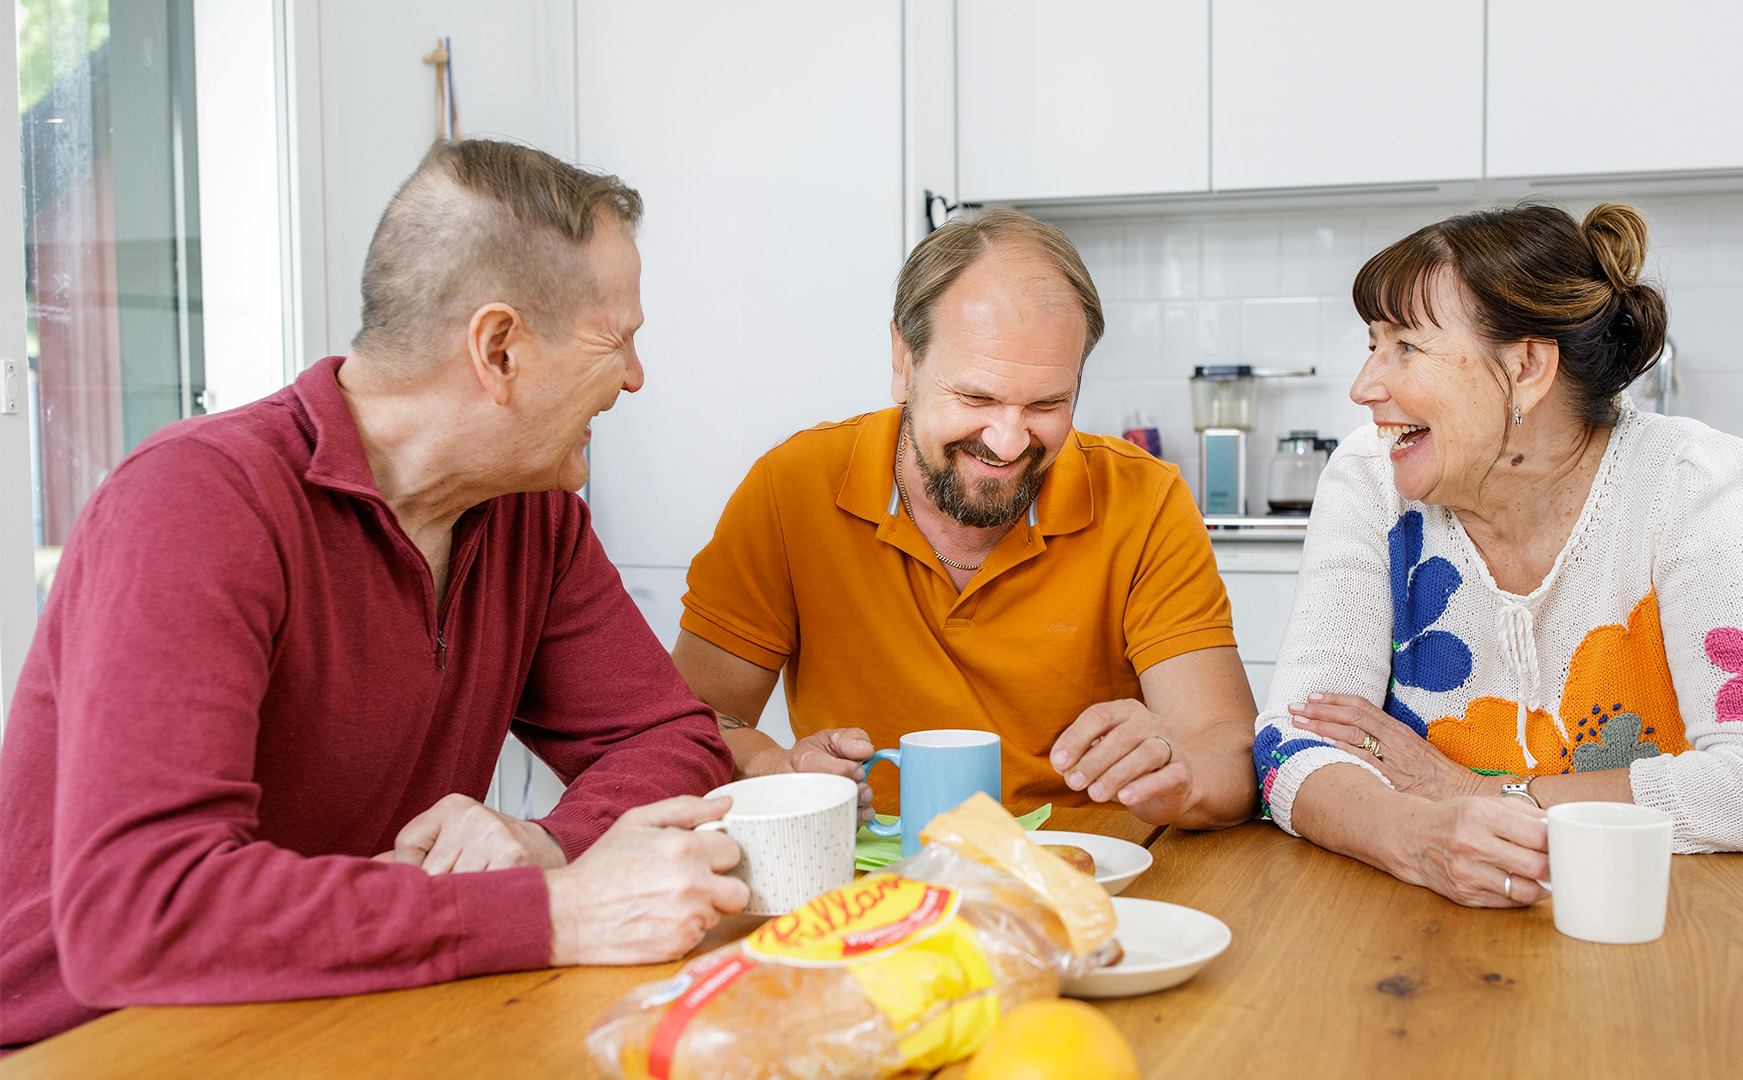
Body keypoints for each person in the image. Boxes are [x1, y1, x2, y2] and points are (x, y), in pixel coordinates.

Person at [0, 139, 750, 1049]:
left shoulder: (530, 518)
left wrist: (546, 845)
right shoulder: (196, 503)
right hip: (95, 1038)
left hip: (352, 1001)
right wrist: (550, 911)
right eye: (616, 339)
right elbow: (146, 911)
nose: (635, 377)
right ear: (500, 349)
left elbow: (669, 737)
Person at [1253, 202, 1743, 907]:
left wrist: (1483, 795)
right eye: (1372, 345)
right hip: (1417, 911)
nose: (1365, 386)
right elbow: (1291, 744)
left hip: (1649, 916)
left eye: (1405, 347)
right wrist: (1417, 836)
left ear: (1527, 366)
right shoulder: (1370, 479)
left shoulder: (1683, 478)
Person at [671, 210, 1256, 830]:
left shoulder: (1145, 498)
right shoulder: (793, 485)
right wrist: (772, 765)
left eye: (1047, 403)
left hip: (1087, 871)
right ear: (904, 359)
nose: (1007, 443)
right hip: (872, 876)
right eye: (976, 398)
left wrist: (1182, 775)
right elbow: (688, 720)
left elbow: (1228, 747)